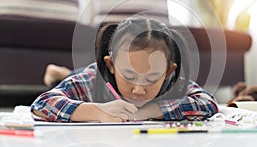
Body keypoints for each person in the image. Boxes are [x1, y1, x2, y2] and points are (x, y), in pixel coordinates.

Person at [31, 17, 219, 122]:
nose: (138, 90)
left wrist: (151, 110)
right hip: (86, 76)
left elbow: (208, 103)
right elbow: (41, 105)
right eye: (129, 75)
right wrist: (98, 111)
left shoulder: (172, 82)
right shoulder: (93, 77)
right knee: (74, 76)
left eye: (152, 78)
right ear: (111, 65)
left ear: (168, 72)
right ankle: (60, 73)